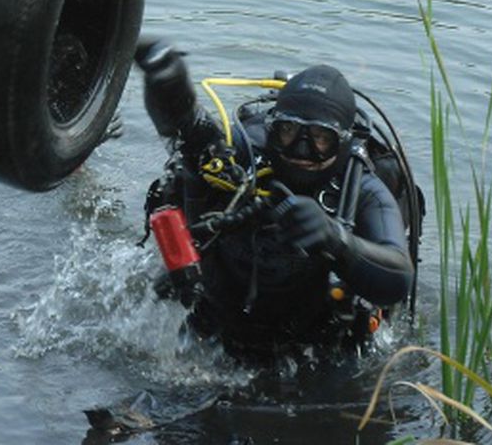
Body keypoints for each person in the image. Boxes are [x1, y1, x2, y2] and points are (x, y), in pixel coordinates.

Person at [134, 38, 418, 363]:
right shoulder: (246, 155)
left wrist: (337, 239)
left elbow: (398, 277)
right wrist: (166, 79)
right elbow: (191, 131)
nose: (301, 150)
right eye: (288, 132)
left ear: (342, 143)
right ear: (272, 129)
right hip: (217, 321)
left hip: (316, 345)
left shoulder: (362, 189)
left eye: (320, 139)